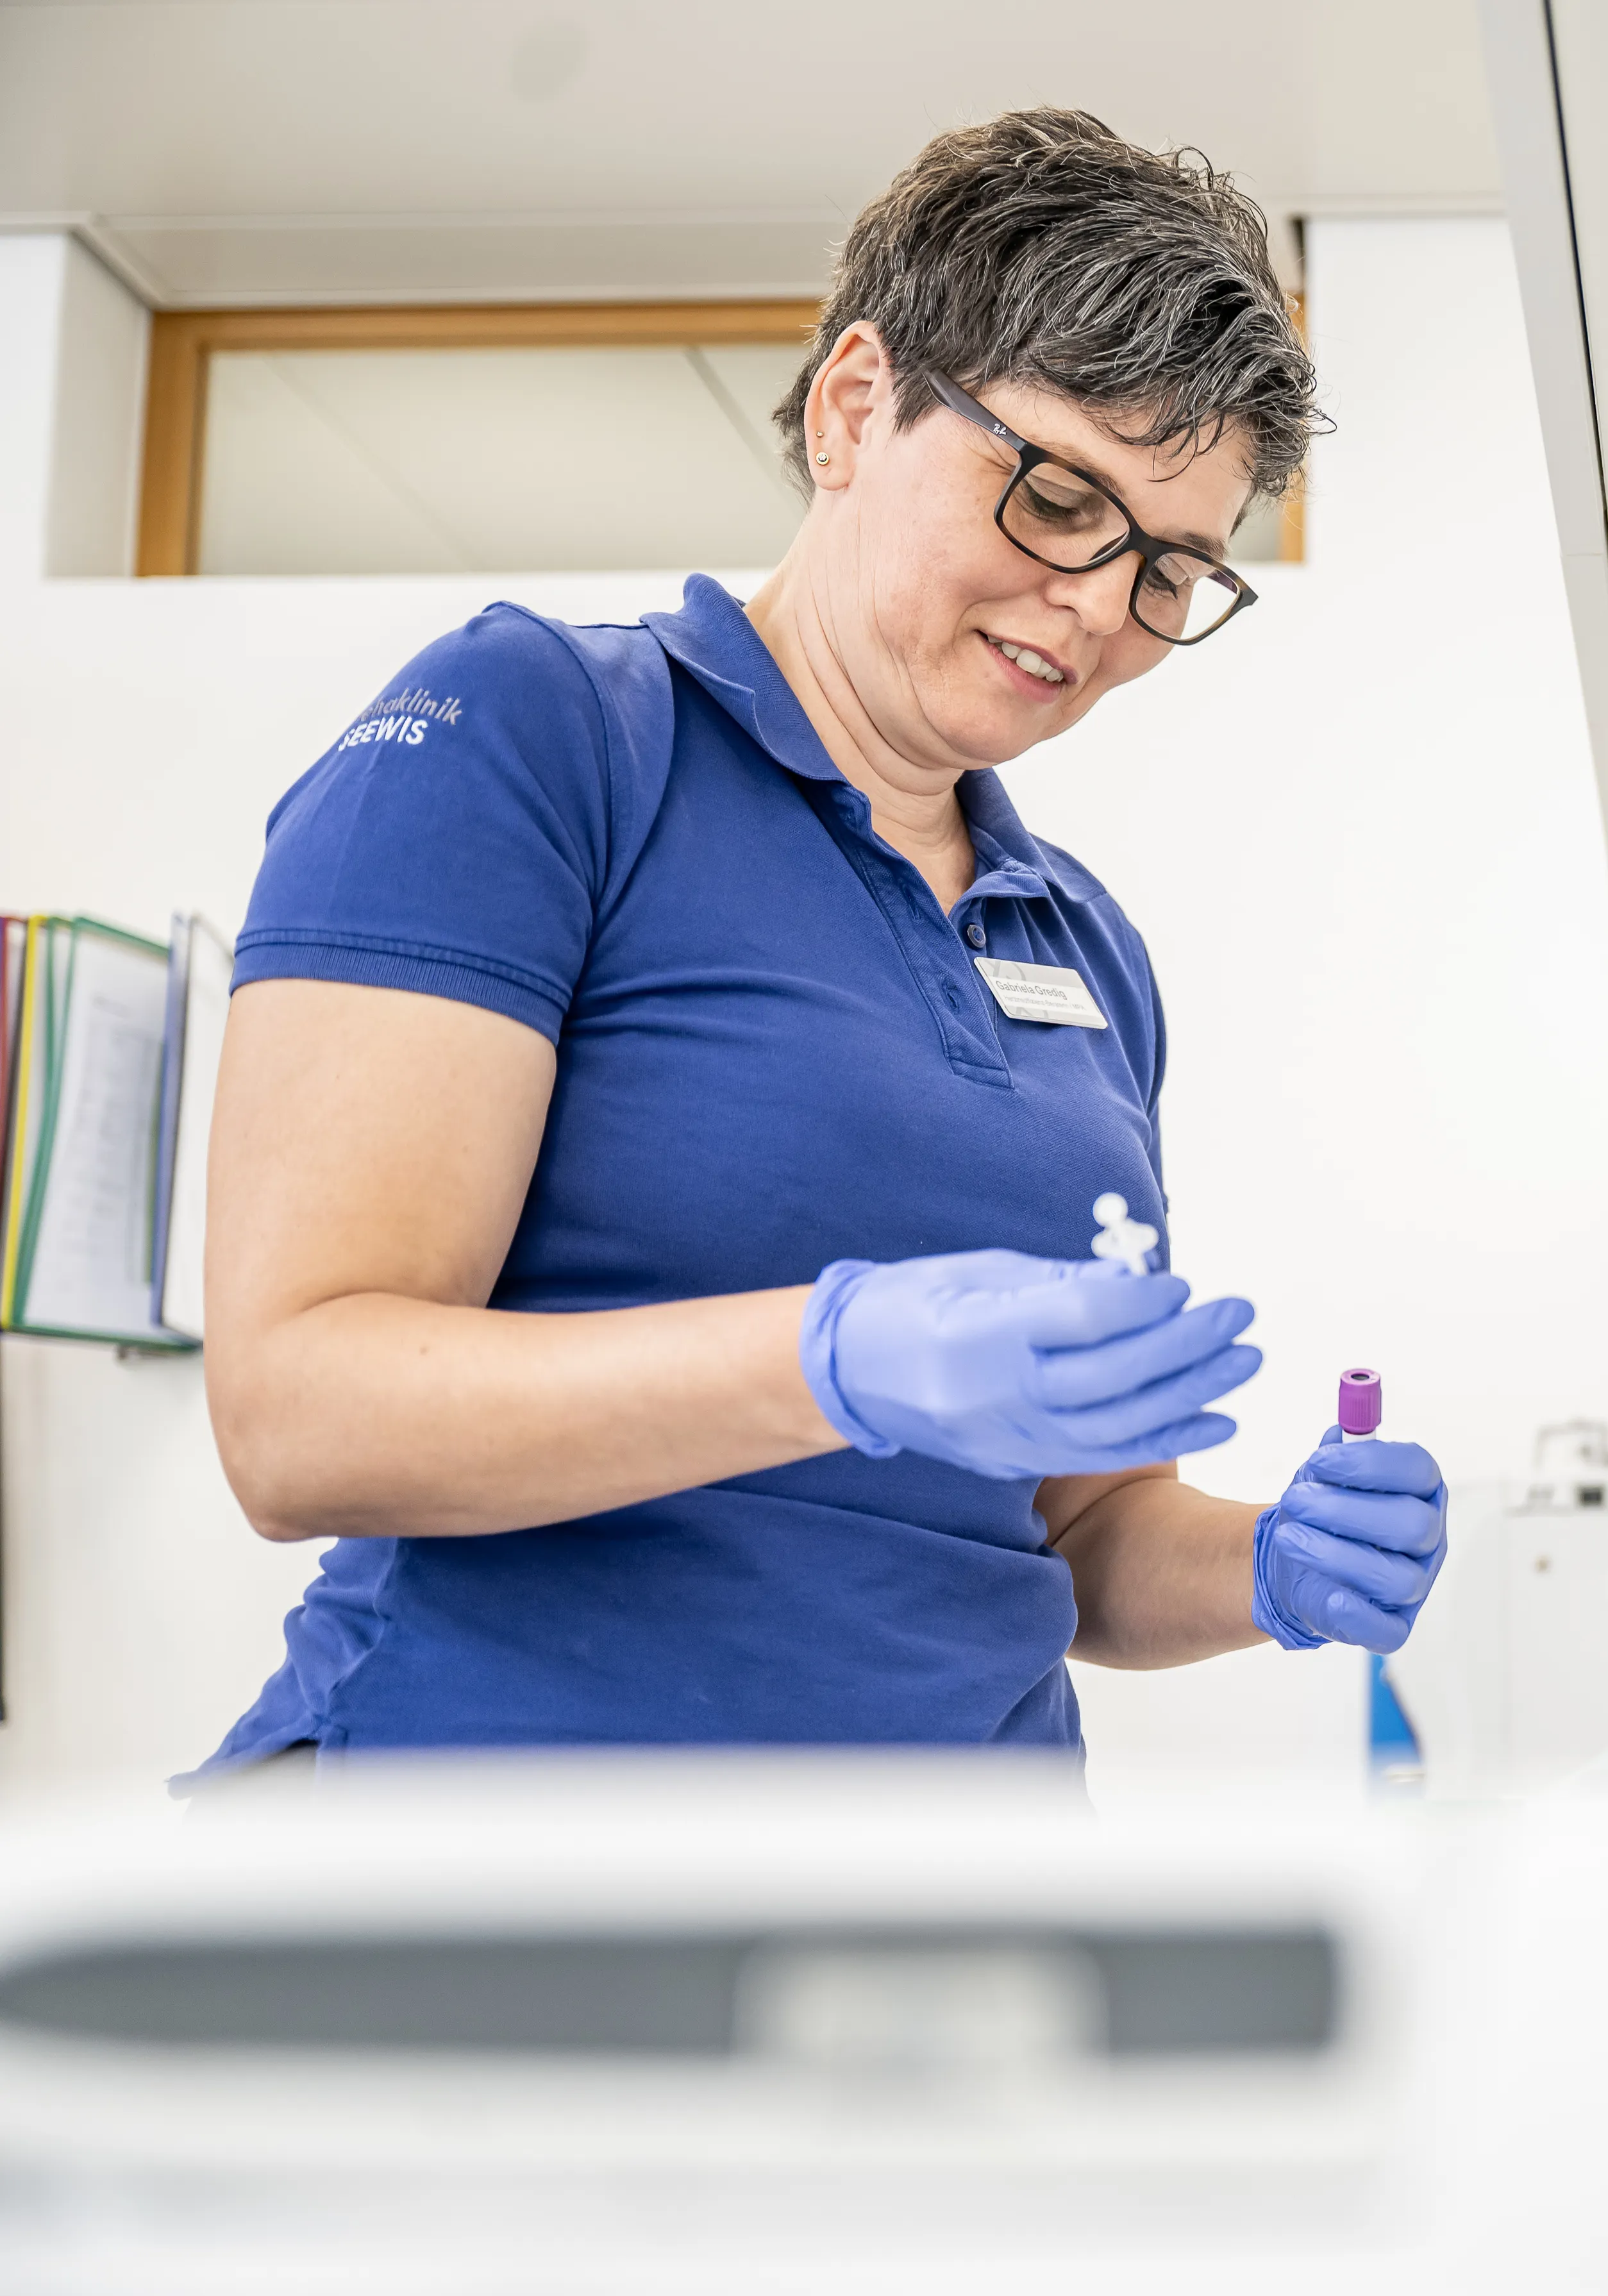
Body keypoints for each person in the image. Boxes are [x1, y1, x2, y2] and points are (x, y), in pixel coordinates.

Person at [183, 110, 1443, 1779]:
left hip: (938, 1925)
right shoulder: (540, 736)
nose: (1091, 604)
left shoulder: (1082, 949)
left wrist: (1268, 1567)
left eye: (1168, 569)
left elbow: (1069, 1540)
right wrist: (834, 1360)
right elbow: (302, 1419)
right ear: (858, 404)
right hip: (494, 1883)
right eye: (1059, 495)